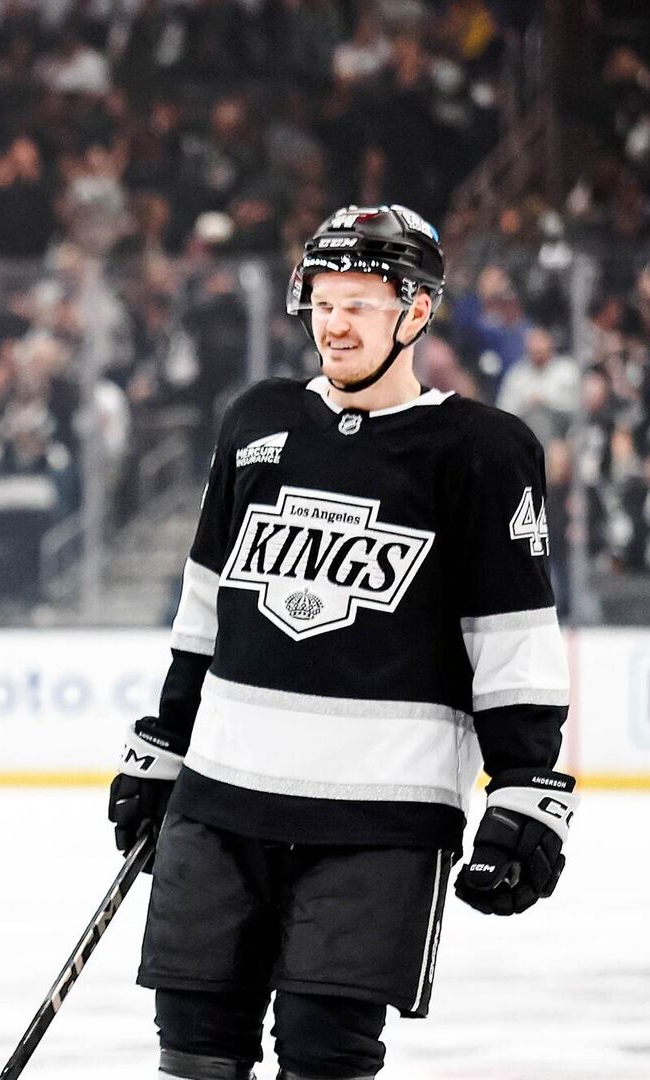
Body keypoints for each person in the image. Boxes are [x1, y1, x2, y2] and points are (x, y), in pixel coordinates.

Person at [107, 205, 579, 1080]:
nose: (334, 323)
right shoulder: (257, 422)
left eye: (359, 303)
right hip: (223, 803)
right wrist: (166, 739)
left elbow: (512, 641)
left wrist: (525, 790)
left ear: (417, 311)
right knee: (193, 1052)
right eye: (323, 301)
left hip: (379, 820)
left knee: (325, 1056)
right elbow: (205, 608)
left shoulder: (481, 451)